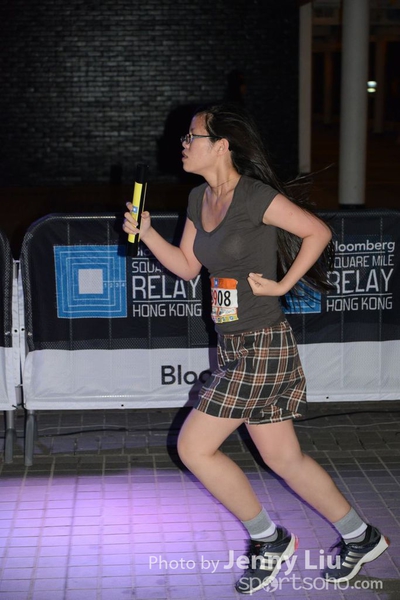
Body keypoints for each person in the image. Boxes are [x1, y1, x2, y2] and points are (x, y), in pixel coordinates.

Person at [123, 103, 389, 594]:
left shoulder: (254, 196)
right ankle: (361, 535)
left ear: (221, 146)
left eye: (192, 136)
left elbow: (318, 232)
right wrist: (147, 233)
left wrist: (283, 284)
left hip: (262, 345)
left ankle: (269, 539)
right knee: (285, 459)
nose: (183, 143)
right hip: (232, 344)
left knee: (193, 448)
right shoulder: (199, 198)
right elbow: (186, 266)